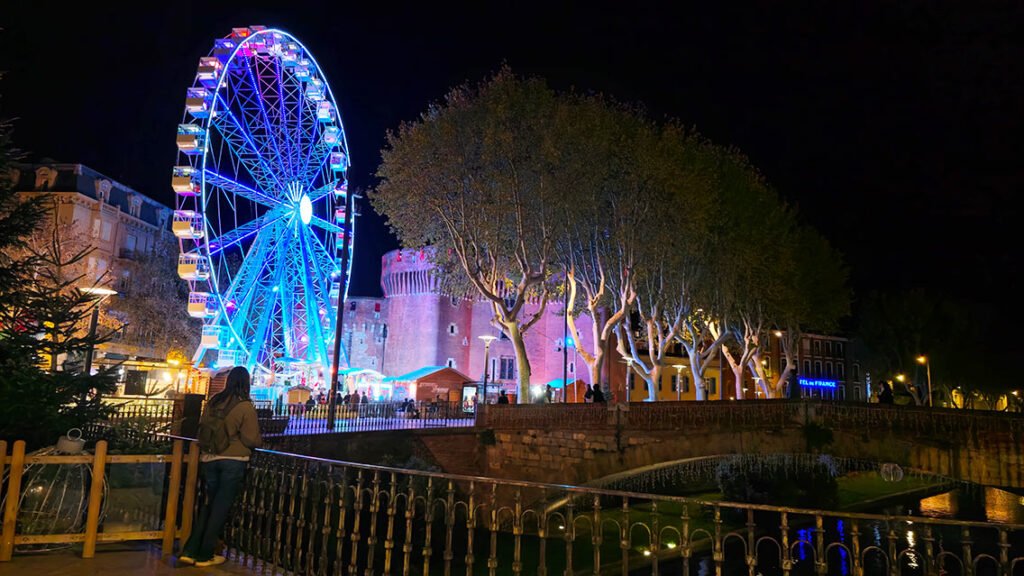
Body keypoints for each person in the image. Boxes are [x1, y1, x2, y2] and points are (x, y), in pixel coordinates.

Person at [180, 366, 262, 567]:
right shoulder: (245, 406)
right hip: (233, 461)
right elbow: (252, 438)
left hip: (209, 458)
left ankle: (190, 550)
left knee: (209, 505)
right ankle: (205, 554)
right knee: (221, 508)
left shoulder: (213, 401)